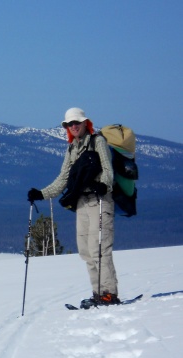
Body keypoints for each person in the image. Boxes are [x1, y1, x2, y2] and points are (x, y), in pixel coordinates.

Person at [27, 107, 120, 305]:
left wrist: (104, 185)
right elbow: (63, 179)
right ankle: (98, 293)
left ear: (85, 122)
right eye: (70, 124)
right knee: (86, 251)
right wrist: (42, 194)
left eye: (76, 122)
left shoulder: (98, 142)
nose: (73, 126)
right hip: (82, 203)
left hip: (100, 200)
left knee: (99, 249)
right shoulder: (71, 148)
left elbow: (107, 169)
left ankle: (109, 293)